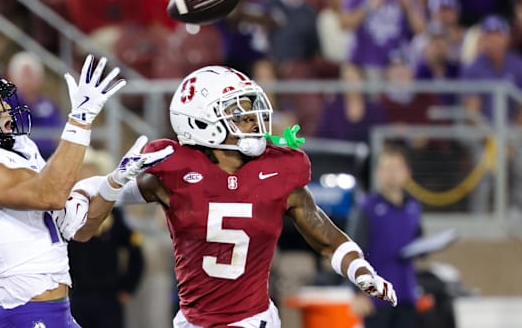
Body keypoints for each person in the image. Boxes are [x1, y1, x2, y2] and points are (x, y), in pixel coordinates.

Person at [108, 65, 397, 327]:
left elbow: (327, 239)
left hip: (251, 319)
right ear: (200, 123)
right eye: (240, 114)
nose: (254, 121)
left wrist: (361, 270)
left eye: (252, 110)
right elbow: (104, 199)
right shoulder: (175, 173)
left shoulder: (276, 172)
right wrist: (110, 183)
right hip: (192, 320)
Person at [0, 55, 172, 327]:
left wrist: (112, 184)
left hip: (57, 311)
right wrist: (79, 121)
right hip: (24, 313)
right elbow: (49, 194)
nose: (7, 106)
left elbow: (80, 230)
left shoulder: (20, 149)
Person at [347, 144, 422, 328]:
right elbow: (352, 252)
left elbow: (419, 243)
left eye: (396, 168)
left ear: (407, 172)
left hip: (406, 296)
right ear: (378, 172)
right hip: (376, 299)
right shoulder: (367, 207)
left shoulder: (413, 208)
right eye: (387, 168)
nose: (392, 174)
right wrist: (356, 293)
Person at [68, 148, 145, 328]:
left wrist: (127, 288)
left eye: (90, 170)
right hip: (76, 295)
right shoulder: (65, 213)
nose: (85, 175)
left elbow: (135, 252)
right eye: (82, 170)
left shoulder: (115, 214)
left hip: (108, 296)